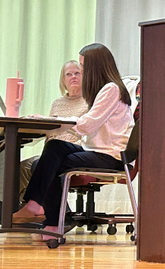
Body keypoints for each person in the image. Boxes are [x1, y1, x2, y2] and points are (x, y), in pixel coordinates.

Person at [13, 45, 133, 240]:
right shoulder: (105, 89)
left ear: (95, 66)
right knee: (52, 149)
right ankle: (41, 211)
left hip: (110, 156)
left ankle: (50, 221)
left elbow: (87, 125)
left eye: (84, 66)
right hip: (96, 150)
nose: (82, 71)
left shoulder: (111, 89)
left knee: (50, 163)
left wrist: (52, 121)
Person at [0, 61, 88, 208]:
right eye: (68, 74)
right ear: (63, 80)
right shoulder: (57, 103)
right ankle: (14, 210)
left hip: (75, 150)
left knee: (37, 165)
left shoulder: (89, 101)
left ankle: (59, 213)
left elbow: (87, 130)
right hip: (52, 150)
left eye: (77, 73)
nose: (73, 77)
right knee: (17, 169)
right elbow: (51, 133)